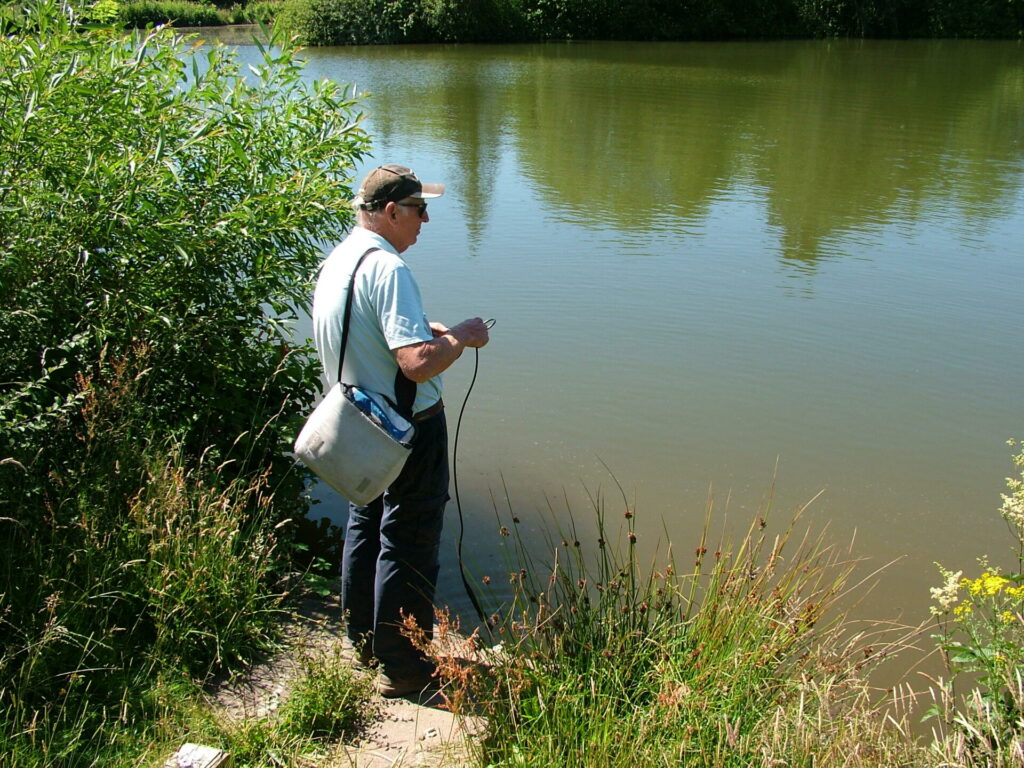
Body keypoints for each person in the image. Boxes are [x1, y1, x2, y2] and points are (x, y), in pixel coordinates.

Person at [312, 164, 490, 698]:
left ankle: (366, 644)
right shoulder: (388, 269)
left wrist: (426, 331)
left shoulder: (340, 259)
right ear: (390, 211)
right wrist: (460, 337)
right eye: (418, 209)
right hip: (407, 428)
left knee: (365, 528)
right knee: (408, 541)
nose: (426, 219)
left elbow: (367, 336)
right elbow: (415, 363)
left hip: (357, 423)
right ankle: (408, 667)